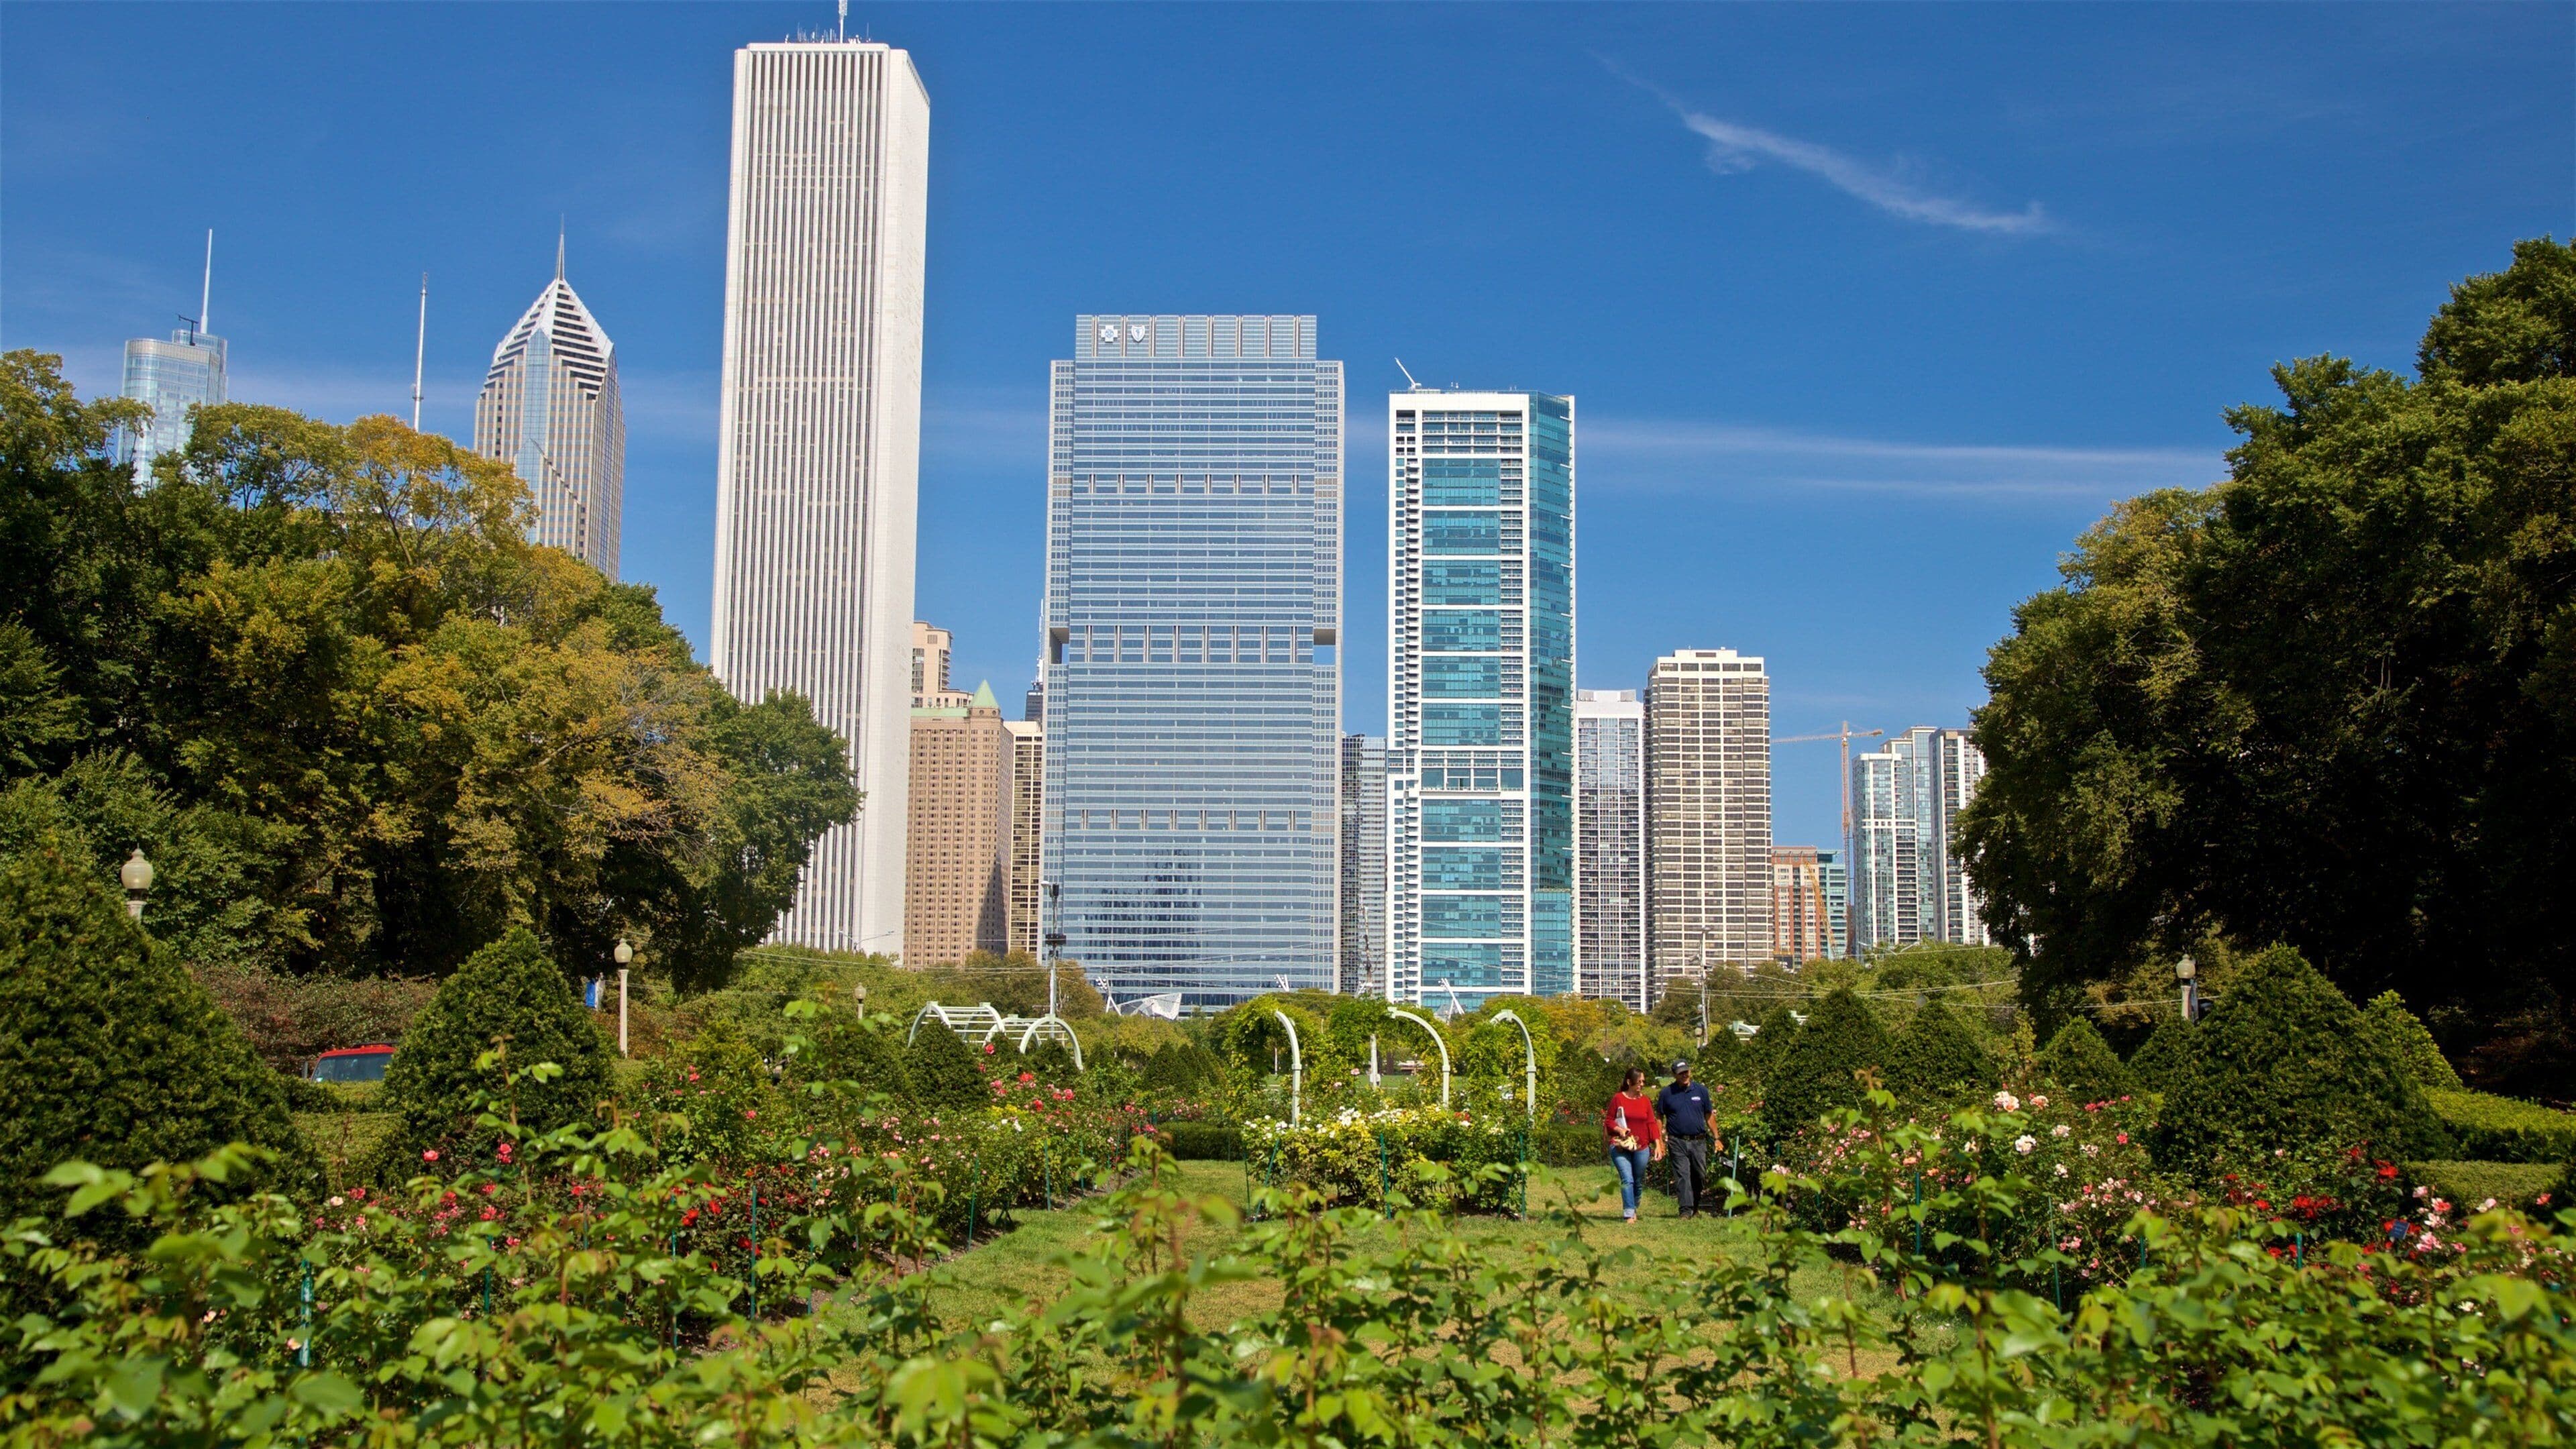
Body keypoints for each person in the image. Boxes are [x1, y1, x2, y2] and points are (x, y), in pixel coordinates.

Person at [1601, 1066, 1662, 1222]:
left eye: (1643, 1081)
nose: (1642, 1084)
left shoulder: (1645, 1101)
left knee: (1637, 1180)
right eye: (1639, 1081)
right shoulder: (1618, 1099)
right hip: (1620, 1146)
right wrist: (1619, 1129)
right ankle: (1629, 1213)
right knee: (1627, 1179)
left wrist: (1658, 1144)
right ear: (1629, 1082)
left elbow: (1651, 1124)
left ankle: (1635, 1201)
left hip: (1641, 1147)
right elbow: (1608, 1121)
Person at [1656, 1059, 1715, 1218]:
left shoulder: (1701, 1091)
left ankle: (1695, 1207)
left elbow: (1708, 1115)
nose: (1685, 1075)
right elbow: (1659, 1116)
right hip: (1677, 1141)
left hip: (1699, 1141)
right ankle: (1685, 1211)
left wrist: (1717, 1137)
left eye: (1686, 1072)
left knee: (1699, 1175)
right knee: (1683, 1176)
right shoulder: (1667, 1093)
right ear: (1675, 1075)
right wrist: (1660, 1140)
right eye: (1681, 1073)